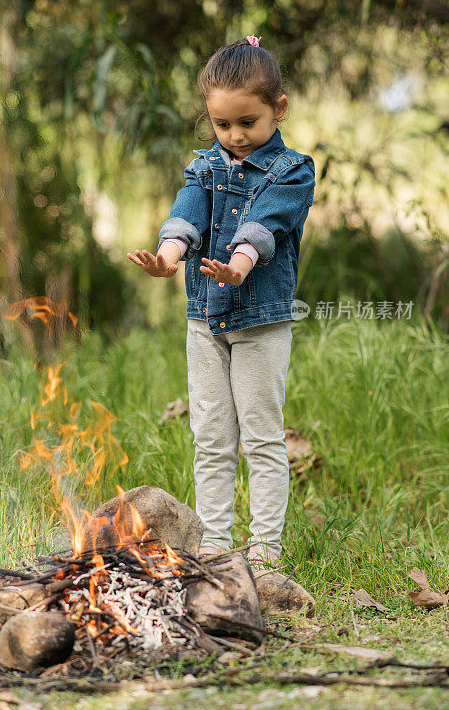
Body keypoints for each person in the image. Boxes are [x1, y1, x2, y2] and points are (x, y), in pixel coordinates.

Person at [127, 36, 315, 570]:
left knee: (260, 435)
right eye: (222, 125)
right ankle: (212, 542)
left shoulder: (293, 171)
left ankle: (264, 549)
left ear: (279, 109)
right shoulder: (205, 168)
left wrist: (240, 264)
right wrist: (167, 258)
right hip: (205, 322)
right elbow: (186, 216)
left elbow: (268, 222)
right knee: (211, 437)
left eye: (247, 123)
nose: (234, 137)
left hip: (261, 323)